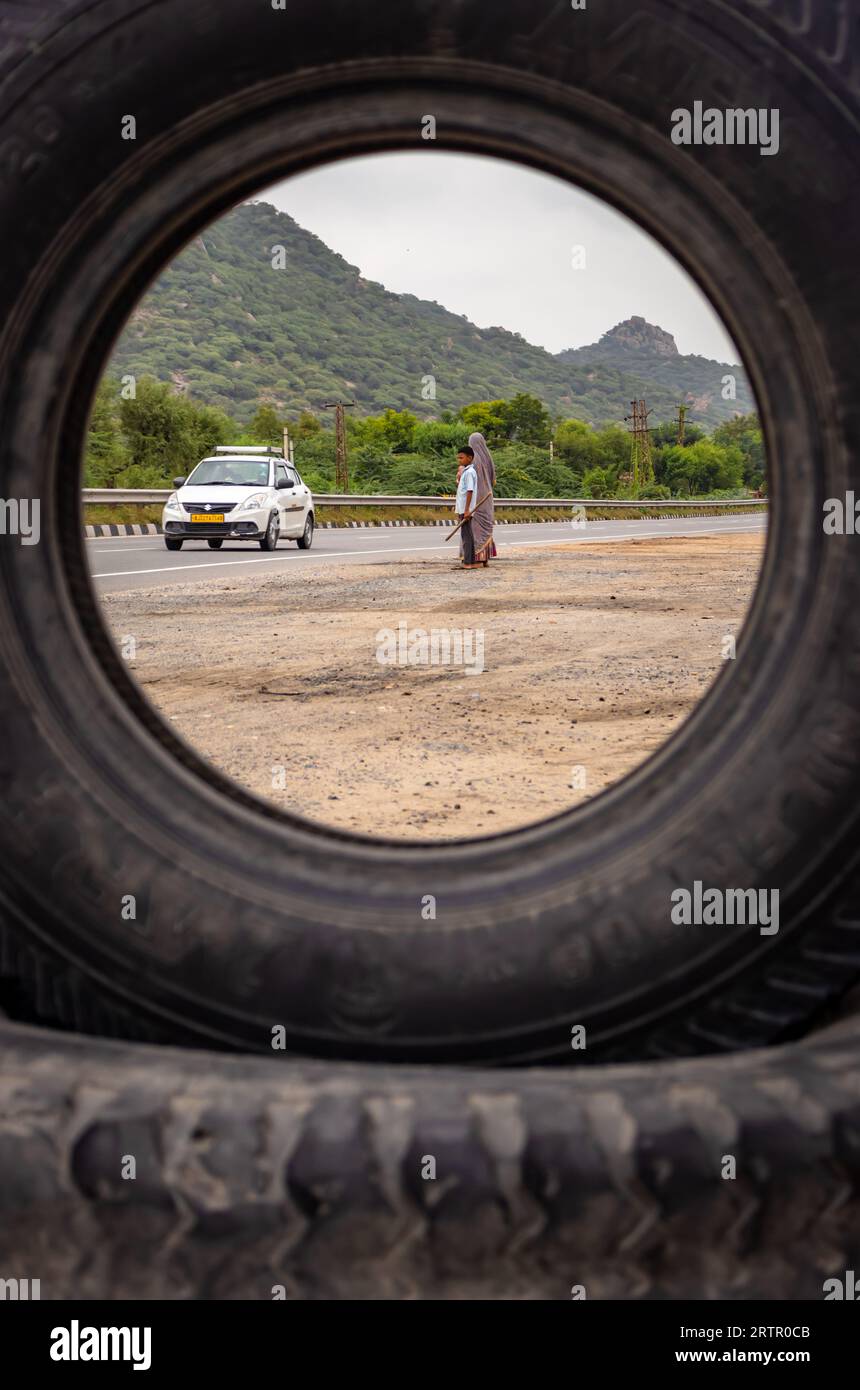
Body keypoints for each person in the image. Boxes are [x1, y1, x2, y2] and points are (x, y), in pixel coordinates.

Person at [467, 431, 497, 565]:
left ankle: (475, 558)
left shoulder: (472, 460)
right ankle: (484, 559)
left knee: (475, 528)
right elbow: (493, 480)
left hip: (475, 499)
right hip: (488, 498)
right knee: (485, 527)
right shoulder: (488, 458)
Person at [455, 446, 479, 567]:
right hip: (464, 508)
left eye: (462, 457)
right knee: (468, 534)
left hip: (466, 509)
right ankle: (472, 562)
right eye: (458, 458)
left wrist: (466, 510)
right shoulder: (466, 472)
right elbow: (463, 490)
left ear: (470, 458)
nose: (459, 460)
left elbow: (470, 491)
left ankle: (468, 562)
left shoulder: (469, 472)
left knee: (466, 536)